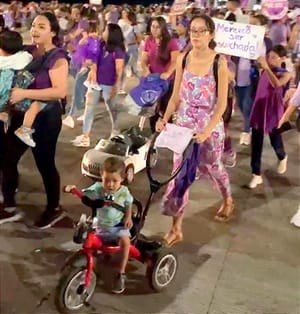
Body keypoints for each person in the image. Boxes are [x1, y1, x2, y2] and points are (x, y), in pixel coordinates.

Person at [156, 15, 234, 246]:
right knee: (180, 175)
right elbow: (176, 96)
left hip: (209, 126)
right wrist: (164, 118)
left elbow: (221, 105)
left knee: (214, 167)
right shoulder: (183, 58)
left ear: (211, 34)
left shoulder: (219, 62)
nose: (196, 35)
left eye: (201, 31)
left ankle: (228, 198)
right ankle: (176, 228)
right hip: (184, 127)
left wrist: (207, 131)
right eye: (193, 30)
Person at [0, 12, 69, 229]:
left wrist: (24, 95)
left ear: (53, 32)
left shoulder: (57, 57)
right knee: (6, 157)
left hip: (46, 120)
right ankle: (9, 205)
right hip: (22, 116)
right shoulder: (28, 51)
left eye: (41, 26)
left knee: (45, 163)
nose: (35, 30)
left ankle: (54, 209)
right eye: (33, 26)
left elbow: (59, 91)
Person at [66, 157, 133, 293]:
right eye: (106, 180)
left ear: (122, 179)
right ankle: (86, 261)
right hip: (99, 225)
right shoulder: (97, 188)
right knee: (85, 236)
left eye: (115, 181)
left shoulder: (124, 191)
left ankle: (121, 273)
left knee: (126, 243)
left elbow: (128, 203)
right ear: (101, 177)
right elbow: (85, 194)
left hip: (117, 226)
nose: (110, 184)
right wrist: (73, 189)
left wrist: (128, 217)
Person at [72, 23, 125, 147]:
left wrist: (116, 87)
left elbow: (119, 70)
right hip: (95, 82)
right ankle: (85, 137)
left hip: (109, 84)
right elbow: (90, 55)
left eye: (106, 30)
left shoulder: (118, 50)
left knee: (112, 109)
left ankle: (115, 130)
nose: (103, 31)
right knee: (89, 107)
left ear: (112, 34)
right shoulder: (101, 44)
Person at [248, 45, 292, 189]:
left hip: (273, 112)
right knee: (256, 144)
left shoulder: (286, 74)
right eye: (269, 56)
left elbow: (277, 84)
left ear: (282, 59)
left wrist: (266, 67)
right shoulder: (263, 70)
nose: (270, 59)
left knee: (275, 141)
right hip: (260, 109)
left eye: (274, 57)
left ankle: (282, 156)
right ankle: (256, 174)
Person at [0, 30, 48, 148]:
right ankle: (25, 128)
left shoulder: (3, 64)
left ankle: (6, 114)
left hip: (8, 99)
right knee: (39, 102)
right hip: (19, 99)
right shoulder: (25, 58)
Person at [140, 16, 179, 132]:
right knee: (152, 110)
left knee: (166, 109)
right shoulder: (148, 41)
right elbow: (143, 59)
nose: (154, 29)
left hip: (167, 81)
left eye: (157, 27)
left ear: (163, 28)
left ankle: (167, 136)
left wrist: (168, 73)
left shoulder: (171, 42)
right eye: (152, 26)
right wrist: (145, 69)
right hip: (152, 81)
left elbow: (175, 61)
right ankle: (154, 137)